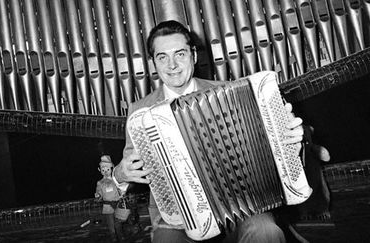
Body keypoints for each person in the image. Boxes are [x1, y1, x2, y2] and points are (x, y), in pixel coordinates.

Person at [112, 20, 329, 243]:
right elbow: (118, 181)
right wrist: (120, 175)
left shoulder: (229, 92)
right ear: (153, 64)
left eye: (180, 54)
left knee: (267, 231)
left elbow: (270, 145)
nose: (172, 65)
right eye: (162, 57)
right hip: (178, 221)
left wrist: (291, 142)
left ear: (194, 56)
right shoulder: (140, 113)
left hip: (243, 206)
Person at [95, 155, 124, 242]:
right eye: (103, 170)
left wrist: (122, 193)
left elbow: (122, 190)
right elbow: (99, 193)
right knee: (111, 223)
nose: (106, 172)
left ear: (112, 169)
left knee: (118, 222)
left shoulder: (116, 180)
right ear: (100, 170)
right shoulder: (100, 183)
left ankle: (120, 235)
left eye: (108, 169)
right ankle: (113, 237)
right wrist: (98, 196)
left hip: (118, 204)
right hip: (107, 206)